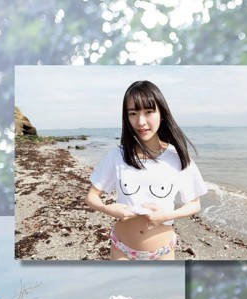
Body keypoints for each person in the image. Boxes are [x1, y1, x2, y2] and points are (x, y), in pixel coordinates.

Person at [86, 80, 208, 261]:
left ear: (162, 114)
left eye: (149, 112)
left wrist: (167, 215)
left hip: (162, 251)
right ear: (126, 118)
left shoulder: (177, 157)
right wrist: (109, 209)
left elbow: (195, 204)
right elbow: (91, 197)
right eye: (133, 113)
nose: (141, 122)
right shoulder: (117, 156)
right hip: (122, 248)